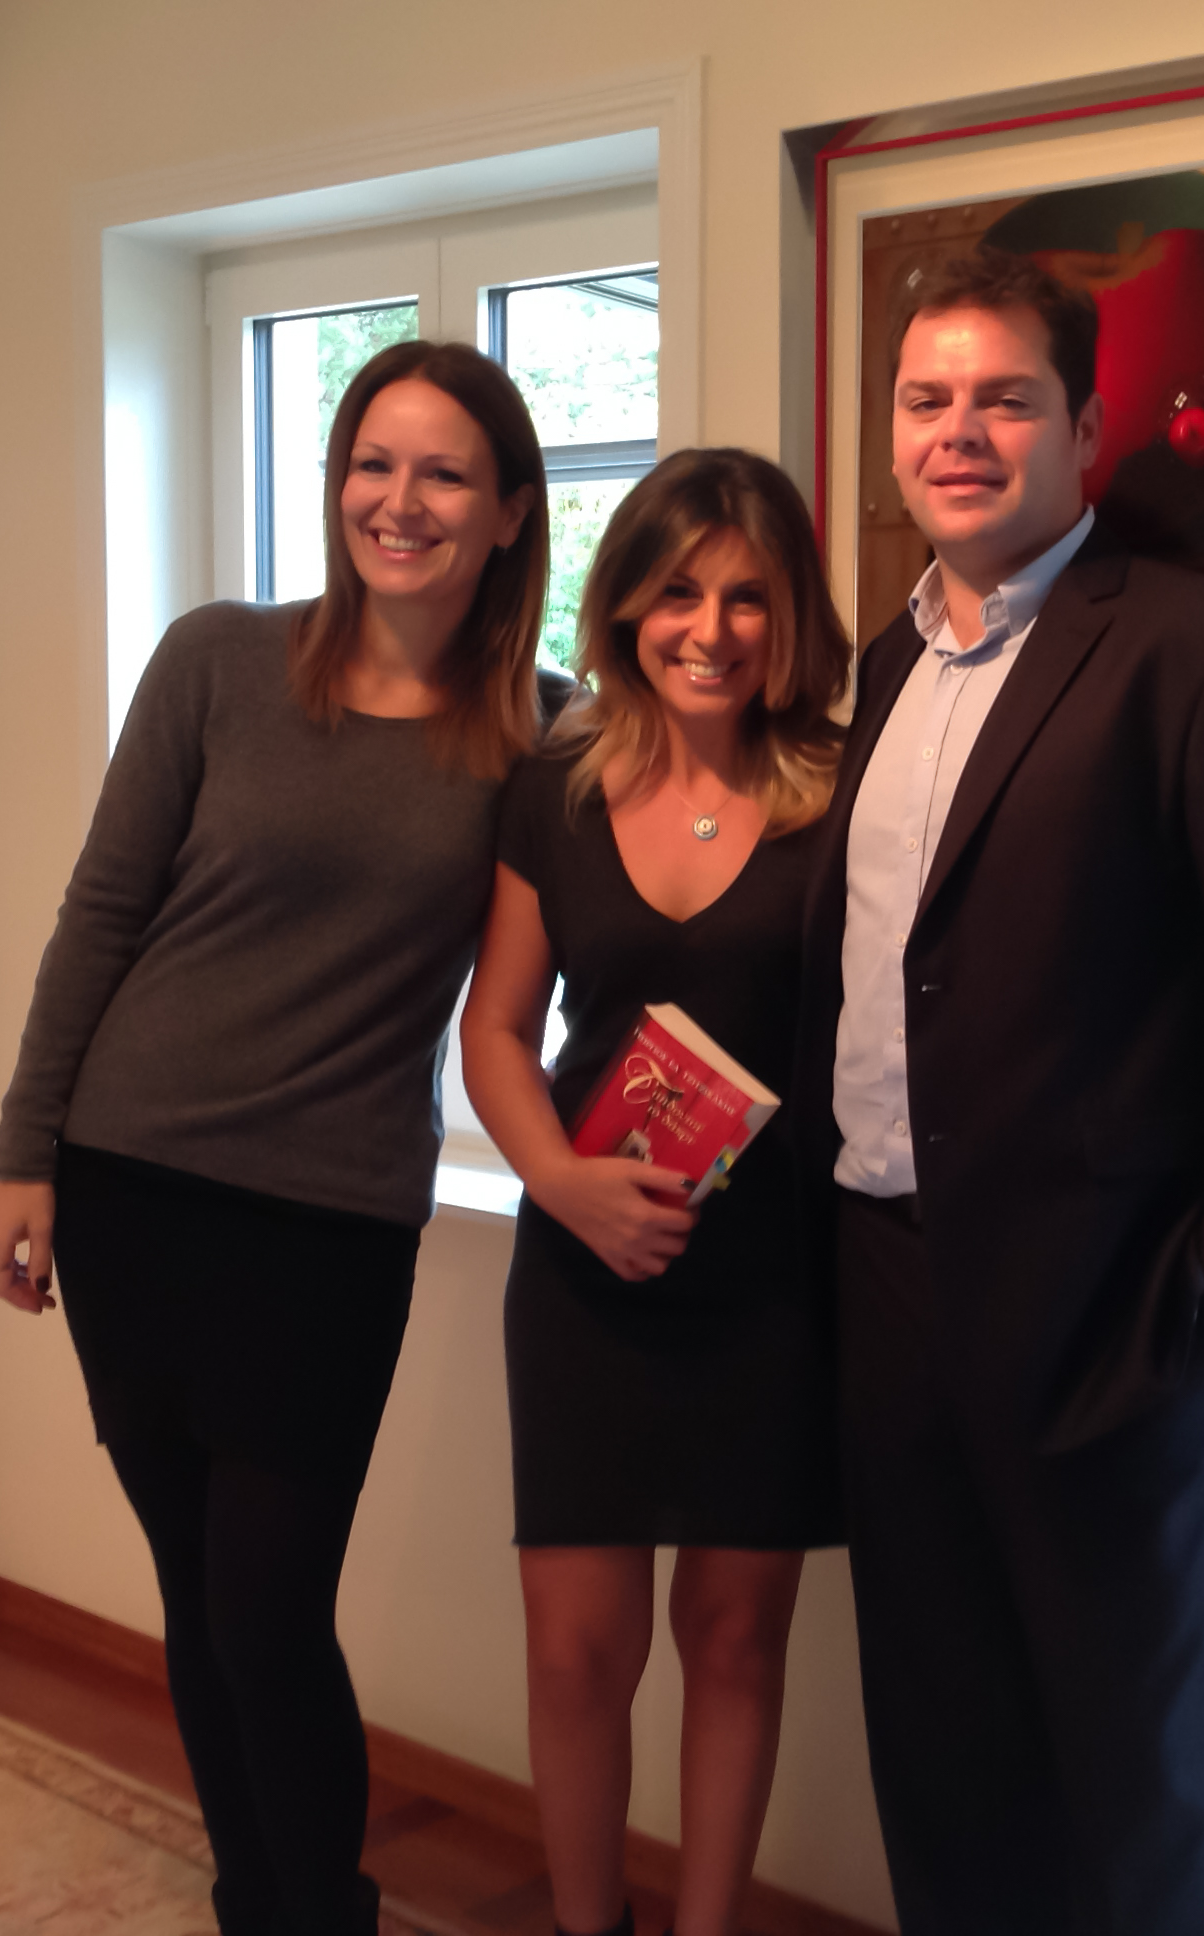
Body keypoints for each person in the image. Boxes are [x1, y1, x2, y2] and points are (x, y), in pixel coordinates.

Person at [792, 249, 1204, 1933]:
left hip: (1112, 1319)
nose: (958, 432)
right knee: (940, 1763)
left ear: (1089, 429)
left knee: (1138, 1797)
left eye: (1005, 399)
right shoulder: (887, 669)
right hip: (885, 1292)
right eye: (927, 400)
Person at [0, 339, 550, 1936]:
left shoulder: (542, 736)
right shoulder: (218, 661)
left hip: (328, 1228)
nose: (400, 501)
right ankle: (260, 1905)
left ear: (510, 511)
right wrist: (25, 1155)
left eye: (444, 474)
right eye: (373, 464)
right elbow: (103, 913)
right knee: (199, 1596)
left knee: (271, 1610)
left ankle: (320, 1912)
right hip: (132, 1184)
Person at [459, 448, 849, 1936]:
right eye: (679, 591)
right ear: (626, 604)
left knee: (736, 1643)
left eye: (749, 598)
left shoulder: (846, 793)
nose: (711, 629)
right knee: (576, 1654)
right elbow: (497, 1029)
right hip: (584, 1268)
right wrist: (561, 1183)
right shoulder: (555, 790)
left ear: (791, 617)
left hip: (774, 1281)